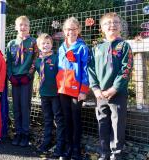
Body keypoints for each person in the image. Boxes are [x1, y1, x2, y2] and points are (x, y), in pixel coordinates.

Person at [88, 12, 133, 160]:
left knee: (117, 124)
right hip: (100, 94)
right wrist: (95, 88)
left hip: (117, 93)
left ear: (120, 26)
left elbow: (126, 68)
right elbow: (91, 68)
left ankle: (117, 154)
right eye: (108, 23)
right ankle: (104, 152)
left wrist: (115, 88)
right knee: (102, 122)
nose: (112, 25)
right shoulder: (97, 48)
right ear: (101, 28)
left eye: (115, 22)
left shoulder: (124, 46)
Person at [56, 17, 89, 160]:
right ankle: (68, 147)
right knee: (66, 118)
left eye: (74, 28)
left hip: (76, 90)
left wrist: (83, 90)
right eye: (68, 29)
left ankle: (76, 149)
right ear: (64, 31)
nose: (71, 31)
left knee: (76, 119)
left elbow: (86, 70)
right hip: (63, 90)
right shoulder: (61, 47)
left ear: (79, 30)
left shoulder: (83, 47)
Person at [6, 16, 38, 147]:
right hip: (15, 79)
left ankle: (25, 134)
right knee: (16, 107)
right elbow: (8, 62)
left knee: (25, 106)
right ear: (16, 27)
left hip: (26, 79)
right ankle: (18, 132)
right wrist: (10, 76)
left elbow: (36, 59)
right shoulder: (11, 44)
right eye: (20, 25)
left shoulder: (33, 42)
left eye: (25, 25)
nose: (23, 27)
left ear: (29, 27)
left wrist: (29, 75)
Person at [35, 33, 64, 156]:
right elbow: (39, 75)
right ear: (39, 46)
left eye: (48, 43)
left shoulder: (57, 58)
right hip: (44, 94)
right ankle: (47, 141)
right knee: (47, 119)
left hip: (55, 94)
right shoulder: (37, 61)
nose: (45, 45)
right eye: (43, 43)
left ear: (52, 45)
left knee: (58, 119)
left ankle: (60, 144)